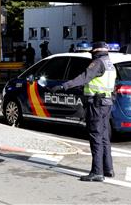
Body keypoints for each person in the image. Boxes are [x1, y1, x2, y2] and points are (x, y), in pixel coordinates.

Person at [50, 41, 117, 182]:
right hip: (106, 103)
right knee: (104, 137)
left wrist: (64, 87)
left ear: (96, 52)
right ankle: (108, 168)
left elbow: (84, 77)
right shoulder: (110, 64)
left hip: (96, 105)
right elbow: (110, 86)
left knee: (96, 137)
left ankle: (97, 172)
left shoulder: (98, 63)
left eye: (92, 53)